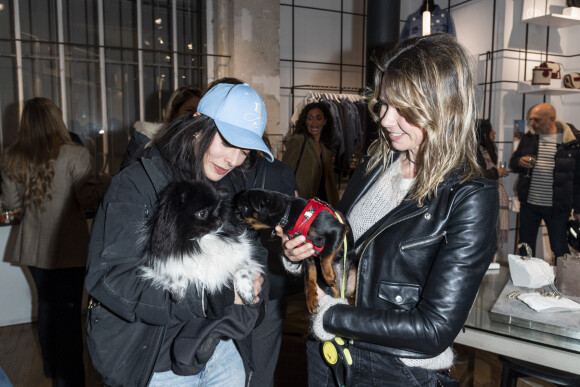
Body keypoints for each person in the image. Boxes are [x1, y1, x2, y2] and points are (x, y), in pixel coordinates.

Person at [277, 33, 498, 386]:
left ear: (444, 109)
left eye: (405, 111)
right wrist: (301, 253)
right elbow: (345, 253)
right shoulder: (376, 163)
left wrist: (334, 317)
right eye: (383, 104)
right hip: (328, 352)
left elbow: (433, 329)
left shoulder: (470, 196)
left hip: (392, 370)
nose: (385, 120)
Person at [84, 83, 271, 387]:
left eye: (245, 150)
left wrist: (254, 275)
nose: (234, 160)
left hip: (219, 352)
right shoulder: (135, 185)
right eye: (227, 142)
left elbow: (250, 248)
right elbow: (111, 279)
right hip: (155, 364)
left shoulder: (229, 181)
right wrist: (210, 297)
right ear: (197, 124)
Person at [1, 97, 110, 387]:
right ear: (56, 119)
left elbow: (11, 203)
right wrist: (103, 182)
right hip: (69, 247)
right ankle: (70, 379)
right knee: (70, 314)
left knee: (48, 308)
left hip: (33, 248)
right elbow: (86, 200)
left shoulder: (12, 157)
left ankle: (53, 371)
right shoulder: (76, 155)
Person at [214, 77, 301, 387]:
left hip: (267, 289)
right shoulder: (207, 170)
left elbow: (293, 231)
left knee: (258, 372)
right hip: (221, 293)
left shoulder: (278, 172)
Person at [509, 102, 580, 259]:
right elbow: (513, 162)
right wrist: (520, 162)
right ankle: (525, 282)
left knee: (560, 248)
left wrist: (578, 209)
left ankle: (562, 282)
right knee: (526, 248)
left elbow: (578, 179)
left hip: (558, 206)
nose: (532, 123)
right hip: (529, 204)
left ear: (551, 119)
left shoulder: (572, 142)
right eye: (531, 119)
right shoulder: (529, 138)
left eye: (537, 120)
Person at [120, 85, 203, 169]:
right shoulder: (145, 138)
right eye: (189, 110)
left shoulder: (204, 144)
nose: (195, 116)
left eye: (200, 113)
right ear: (173, 112)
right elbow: (126, 176)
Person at [283, 102, 339, 207]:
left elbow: (329, 181)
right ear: (305, 121)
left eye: (318, 118)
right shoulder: (298, 141)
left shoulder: (325, 149)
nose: (314, 123)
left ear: (325, 121)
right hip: (302, 202)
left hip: (321, 204)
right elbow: (285, 171)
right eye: (310, 118)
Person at [476, 119, 510, 248]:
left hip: (488, 197)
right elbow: (478, 175)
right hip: (484, 199)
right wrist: (496, 173)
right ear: (484, 133)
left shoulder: (484, 151)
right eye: (491, 129)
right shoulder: (477, 152)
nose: (494, 132)